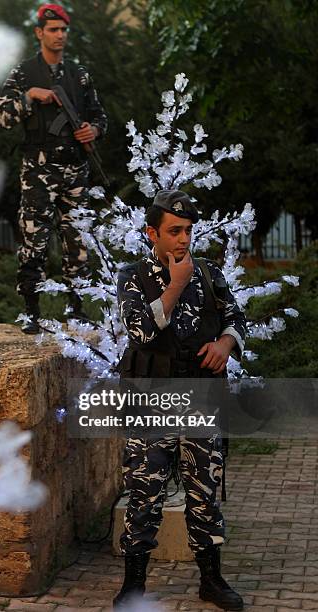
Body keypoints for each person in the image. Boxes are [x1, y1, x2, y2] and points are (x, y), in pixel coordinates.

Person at [113, 189, 246, 611]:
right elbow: (140, 331)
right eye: (174, 231)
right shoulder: (134, 276)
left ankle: (211, 580)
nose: (184, 239)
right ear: (152, 232)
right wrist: (175, 285)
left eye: (188, 230)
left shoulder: (208, 272)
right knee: (143, 493)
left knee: (204, 493)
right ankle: (133, 584)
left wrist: (227, 342)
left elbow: (236, 317)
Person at [0, 3, 107, 333]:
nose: (60, 35)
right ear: (39, 33)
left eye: (63, 30)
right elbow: (2, 118)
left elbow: (101, 116)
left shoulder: (79, 74)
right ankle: (31, 311)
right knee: (35, 242)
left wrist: (93, 131)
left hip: (75, 170)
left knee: (78, 242)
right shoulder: (24, 73)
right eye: (53, 30)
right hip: (38, 173)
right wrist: (30, 96)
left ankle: (77, 309)